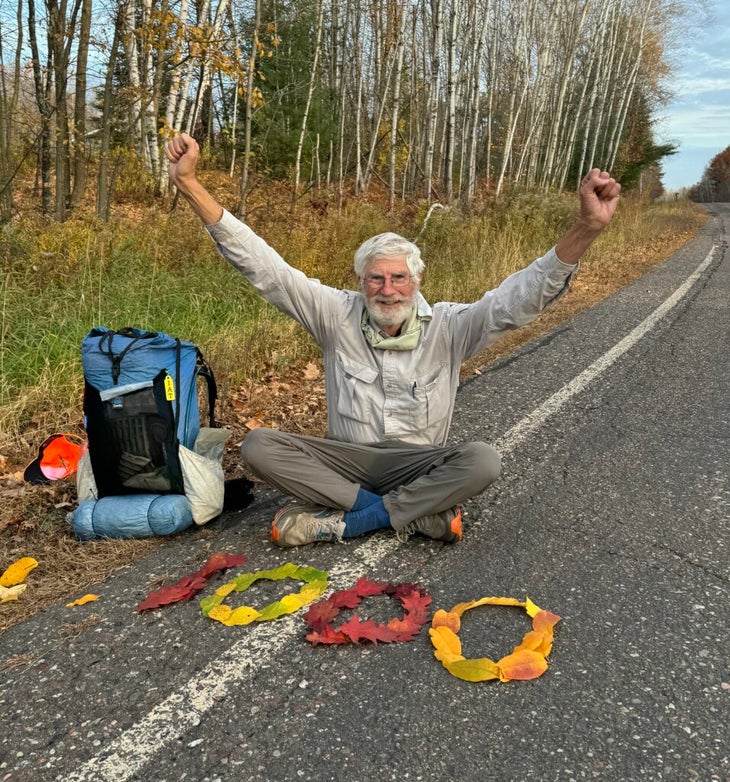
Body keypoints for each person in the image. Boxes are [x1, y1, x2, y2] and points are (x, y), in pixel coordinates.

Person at [165, 133, 621, 548]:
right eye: (376, 278)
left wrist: (587, 229)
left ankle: (350, 519)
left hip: (417, 462)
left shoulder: (450, 325)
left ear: (418, 279)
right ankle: (417, 514)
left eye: (399, 277)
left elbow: (517, 298)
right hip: (347, 460)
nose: (388, 289)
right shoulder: (333, 313)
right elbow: (264, 268)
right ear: (360, 281)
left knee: (483, 460)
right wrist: (189, 184)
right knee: (257, 446)